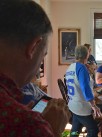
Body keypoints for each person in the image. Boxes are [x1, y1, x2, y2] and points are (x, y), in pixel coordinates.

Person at [0, 1, 71, 136]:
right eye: (43, 55)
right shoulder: (29, 123)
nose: (39, 67)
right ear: (33, 47)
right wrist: (51, 130)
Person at [65, 45, 102, 137]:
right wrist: (94, 105)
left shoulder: (71, 67)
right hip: (81, 106)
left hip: (73, 104)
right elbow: (85, 87)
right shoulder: (81, 68)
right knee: (93, 129)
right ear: (87, 55)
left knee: (75, 130)